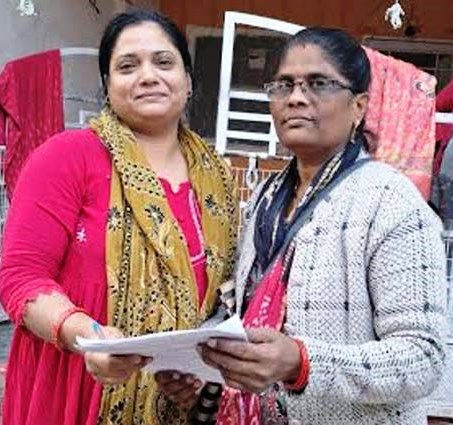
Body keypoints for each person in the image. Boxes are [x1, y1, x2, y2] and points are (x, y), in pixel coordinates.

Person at [158, 27, 447, 425]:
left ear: (358, 106)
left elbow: (423, 357)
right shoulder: (266, 197)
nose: (295, 97)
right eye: (284, 85)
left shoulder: (390, 202)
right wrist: (203, 365)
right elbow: (247, 312)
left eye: (319, 83)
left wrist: (302, 363)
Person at [0, 9, 238, 425]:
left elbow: (220, 298)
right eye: (128, 66)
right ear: (107, 87)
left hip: (174, 400)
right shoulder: (67, 157)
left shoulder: (216, 176)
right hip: (74, 386)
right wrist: (87, 337)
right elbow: (20, 276)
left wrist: (200, 371)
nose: (148, 76)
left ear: (188, 80)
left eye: (163, 62)